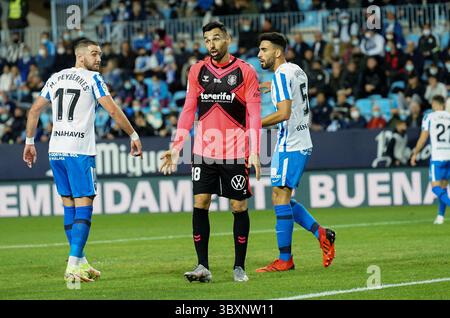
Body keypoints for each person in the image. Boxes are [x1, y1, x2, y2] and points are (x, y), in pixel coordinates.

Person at [22, 39, 143, 284]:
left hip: (55, 150)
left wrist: (30, 142)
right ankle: (72, 265)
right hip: (78, 151)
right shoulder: (93, 79)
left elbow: (34, 110)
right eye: (94, 54)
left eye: (100, 54)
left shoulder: (55, 78)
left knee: (69, 205)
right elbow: (112, 110)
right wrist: (133, 134)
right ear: (80, 57)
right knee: (85, 204)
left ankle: (81, 261)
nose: (99, 58)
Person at [159, 21, 261, 283]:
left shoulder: (246, 72)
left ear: (228, 39)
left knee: (238, 206)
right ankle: (202, 265)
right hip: (204, 151)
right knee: (200, 202)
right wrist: (176, 146)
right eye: (207, 40)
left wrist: (255, 150)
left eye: (216, 38)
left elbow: (254, 114)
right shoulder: (197, 71)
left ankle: (239, 267)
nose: (211, 44)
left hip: (236, 150)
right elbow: (187, 110)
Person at [255, 32, 335, 273]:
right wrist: (271, 86)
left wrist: (254, 125)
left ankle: (285, 259)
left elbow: (283, 113)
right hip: (296, 140)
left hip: (291, 143)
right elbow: (294, 93)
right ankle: (321, 233)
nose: (259, 55)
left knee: (280, 198)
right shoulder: (296, 70)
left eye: (264, 50)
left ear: (277, 52)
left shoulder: (281, 75)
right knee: (281, 198)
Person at [411, 95, 450, 224]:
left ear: (434, 104)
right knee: (443, 188)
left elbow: (423, 139)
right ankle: (440, 217)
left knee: (435, 188)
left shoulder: (429, 117)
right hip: (449, 156)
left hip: (438, 157)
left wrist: (415, 153)